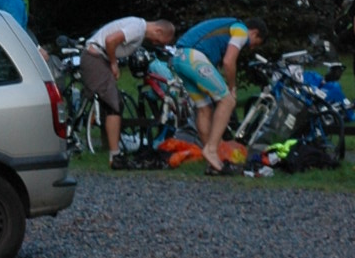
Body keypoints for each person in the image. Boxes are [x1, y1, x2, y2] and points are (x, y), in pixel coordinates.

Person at [82, 14, 176, 165]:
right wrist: (114, 63)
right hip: (96, 58)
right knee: (113, 104)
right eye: (158, 41)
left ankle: (111, 148)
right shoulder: (137, 28)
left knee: (114, 103)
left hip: (99, 57)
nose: (155, 43)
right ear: (158, 31)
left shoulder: (138, 28)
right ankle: (115, 156)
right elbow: (110, 40)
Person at [174, 16, 265, 172]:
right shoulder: (241, 30)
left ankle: (212, 160)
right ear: (255, 33)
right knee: (228, 101)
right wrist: (232, 88)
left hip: (179, 58)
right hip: (193, 58)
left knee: (204, 108)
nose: (251, 48)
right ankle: (211, 149)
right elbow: (229, 61)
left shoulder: (225, 27)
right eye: (256, 43)